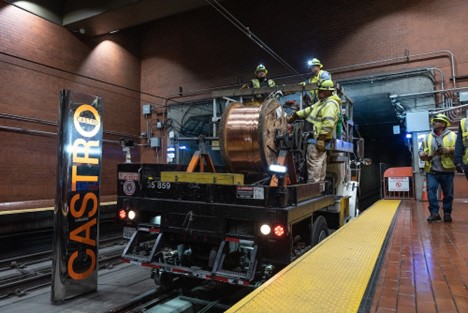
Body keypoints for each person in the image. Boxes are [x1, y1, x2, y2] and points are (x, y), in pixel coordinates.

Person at [287, 79, 341, 183]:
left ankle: (314, 187)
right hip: (316, 140)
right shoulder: (321, 103)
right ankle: (319, 187)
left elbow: (328, 124)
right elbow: (308, 110)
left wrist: (321, 138)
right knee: (319, 162)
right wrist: (293, 116)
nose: (319, 92)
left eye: (322, 91)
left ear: (329, 92)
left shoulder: (330, 104)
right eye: (319, 90)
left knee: (315, 163)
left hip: (318, 140)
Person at [418, 113, 457, 222]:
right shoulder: (428, 137)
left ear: (443, 124)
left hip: (447, 170)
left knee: (448, 194)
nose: (434, 123)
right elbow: (421, 150)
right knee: (431, 192)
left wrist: (449, 150)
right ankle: (434, 213)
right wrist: (421, 155)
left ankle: (447, 213)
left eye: (437, 121)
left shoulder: (453, 136)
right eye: (434, 121)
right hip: (432, 170)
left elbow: (459, 149)